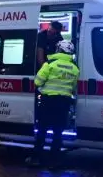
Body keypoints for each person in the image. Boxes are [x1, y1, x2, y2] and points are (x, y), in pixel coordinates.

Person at [26, 40, 80, 168]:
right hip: (64, 103)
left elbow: (38, 82)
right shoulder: (75, 68)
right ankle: (54, 161)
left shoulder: (50, 64)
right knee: (57, 133)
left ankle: (36, 159)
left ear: (59, 50)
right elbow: (73, 87)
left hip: (47, 101)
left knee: (42, 131)